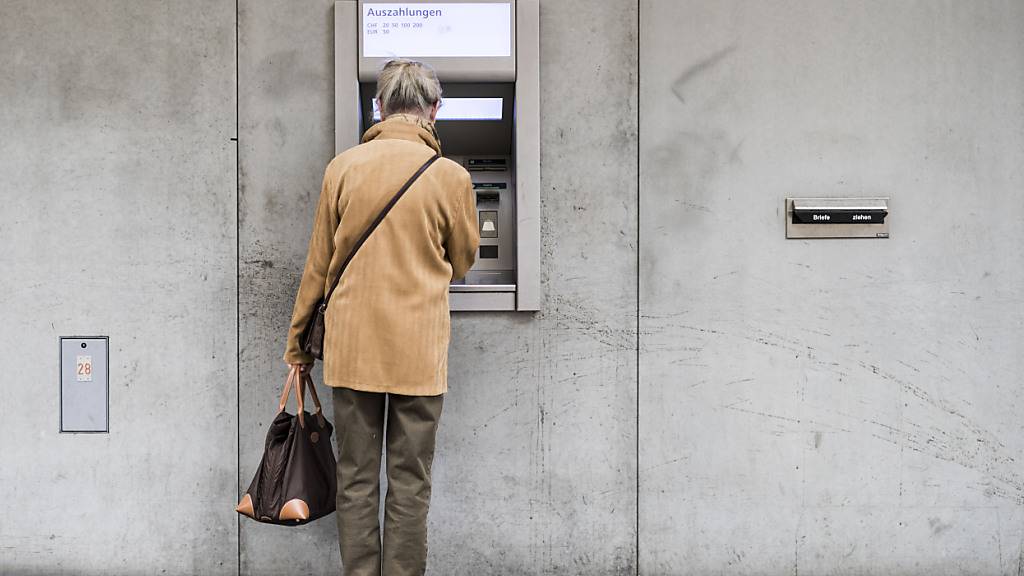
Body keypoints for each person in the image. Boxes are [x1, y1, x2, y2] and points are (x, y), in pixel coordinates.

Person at [283, 59, 479, 576]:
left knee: (356, 478)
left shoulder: (343, 168)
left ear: (379, 107)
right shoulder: (452, 178)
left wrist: (298, 348)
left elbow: (318, 267)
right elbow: (463, 260)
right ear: (434, 111)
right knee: (410, 481)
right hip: (417, 353)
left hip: (354, 352)